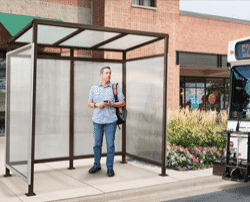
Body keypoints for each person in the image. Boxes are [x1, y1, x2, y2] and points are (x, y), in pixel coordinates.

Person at [87, 66, 125, 177]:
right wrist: (97, 105)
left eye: (110, 73)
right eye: (106, 73)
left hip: (110, 122)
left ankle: (109, 168)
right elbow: (89, 103)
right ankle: (97, 165)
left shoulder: (115, 88)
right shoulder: (94, 88)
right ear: (101, 75)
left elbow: (122, 102)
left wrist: (111, 104)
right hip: (97, 122)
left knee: (110, 146)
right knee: (97, 145)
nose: (108, 75)